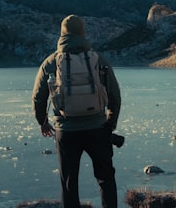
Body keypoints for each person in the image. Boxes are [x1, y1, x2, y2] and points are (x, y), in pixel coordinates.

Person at [32, 14, 122, 208]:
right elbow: (115, 96)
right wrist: (110, 124)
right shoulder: (99, 59)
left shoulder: (50, 63)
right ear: (83, 32)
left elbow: (38, 98)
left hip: (66, 131)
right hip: (97, 129)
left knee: (69, 182)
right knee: (105, 178)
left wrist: (43, 122)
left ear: (62, 33)